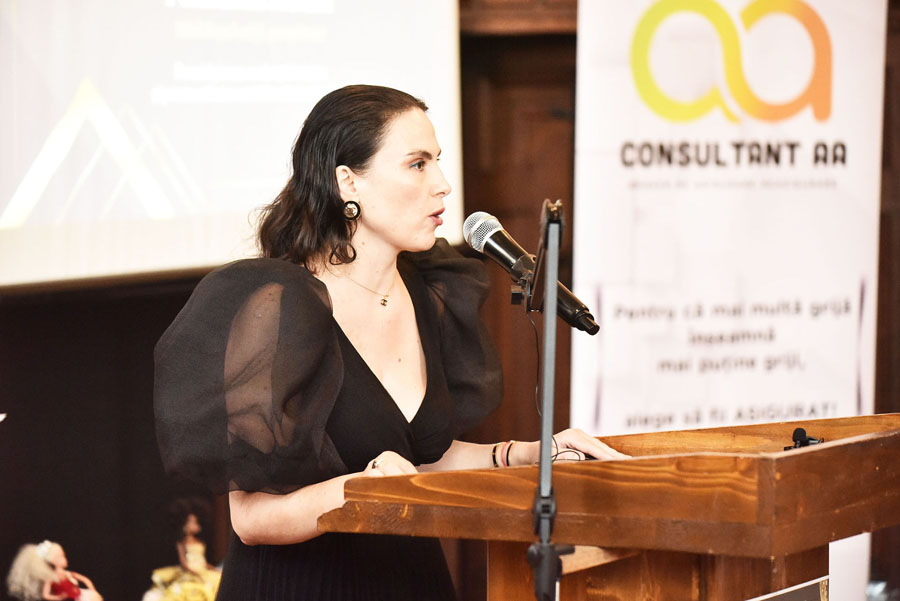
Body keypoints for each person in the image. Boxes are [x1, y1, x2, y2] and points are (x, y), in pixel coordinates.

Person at [153, 84, 626, 601]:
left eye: (437, 162)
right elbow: (250, 518)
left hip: (409, 576)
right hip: (304, 587)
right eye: (417, 164)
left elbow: (417, 461)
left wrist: (531, 455)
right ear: (348, 181)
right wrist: (357, 490)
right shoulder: (276, 304)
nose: (443, 185)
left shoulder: (429, 290)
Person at [143, 498, 221, 601]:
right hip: (190, 573)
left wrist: (212, 568)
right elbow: (183, 561)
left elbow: (202, 560)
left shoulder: (200, 541)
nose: (194, 525)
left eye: (196, 522)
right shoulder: (182, 543)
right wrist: (193, 571)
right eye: (190, 522)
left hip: (202, 571)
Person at [6, 541, 102, 601]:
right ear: (54, 561)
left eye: (63, 556)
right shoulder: (50, 578)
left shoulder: (68, 574)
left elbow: (85, 579)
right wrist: (58, 598)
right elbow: (46, 595)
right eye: (61, 557)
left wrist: (92, 590)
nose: (65, 560)